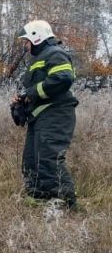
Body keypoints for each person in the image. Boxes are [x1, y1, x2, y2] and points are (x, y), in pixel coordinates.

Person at [12, 20, 78, 208]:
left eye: (26, 41)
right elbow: (38, 89)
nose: (25, 46)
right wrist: (21, 101)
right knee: (32, 160)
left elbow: (63, 78)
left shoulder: (55, 53)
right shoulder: (38, 60)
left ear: (36, 37)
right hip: (41, 116)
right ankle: (39, 198)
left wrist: (30, 93)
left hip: (56, 115)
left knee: (48, 158)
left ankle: (66, 204)